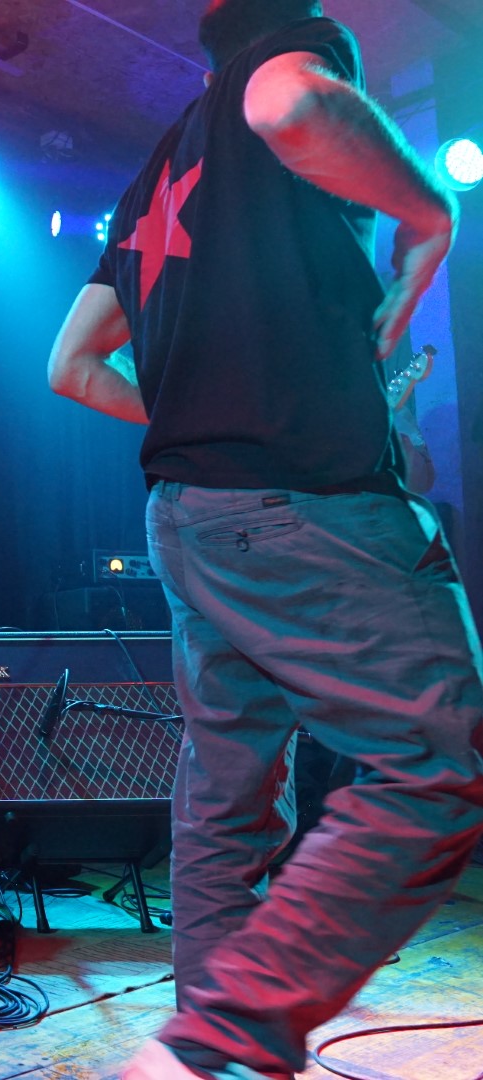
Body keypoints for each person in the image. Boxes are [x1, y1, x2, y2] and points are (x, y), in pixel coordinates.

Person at [46, 2, 482, 1078]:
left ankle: (207, 1057)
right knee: (437, 762)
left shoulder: (159, 168)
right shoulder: (289, 55)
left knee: (225, 806)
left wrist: (205, 408)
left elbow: (70, 366)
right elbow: (291, 104)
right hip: (305, 501)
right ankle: (220, 1041)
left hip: (189, 520)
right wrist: (430, 213)